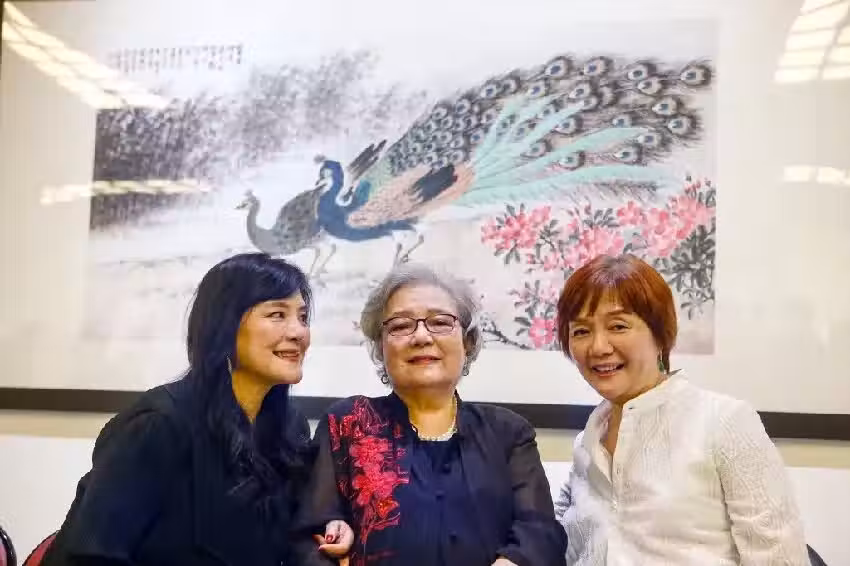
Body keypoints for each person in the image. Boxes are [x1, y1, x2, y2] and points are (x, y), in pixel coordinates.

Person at [43, 253, 318, 566]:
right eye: (277, 314)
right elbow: (92, 555)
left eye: (303, 317)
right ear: (225, 325)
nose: (298, 332)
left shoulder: (290, 428)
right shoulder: (159, 425)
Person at [292, 264, 567, 566]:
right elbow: (309, 537)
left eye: (440, 322)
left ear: (467, 342)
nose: (421, 337)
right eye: (400, 326)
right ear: (381, 347)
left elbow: (541, 533)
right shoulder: (347, 423)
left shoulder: (508, 432)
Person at [555, 254, 810, 565]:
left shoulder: (723, 423)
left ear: (660, 335)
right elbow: (558, 541)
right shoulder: (587, 443)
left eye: (618, 326)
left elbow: (780, 558)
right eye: (581, 331)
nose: (598, 347)